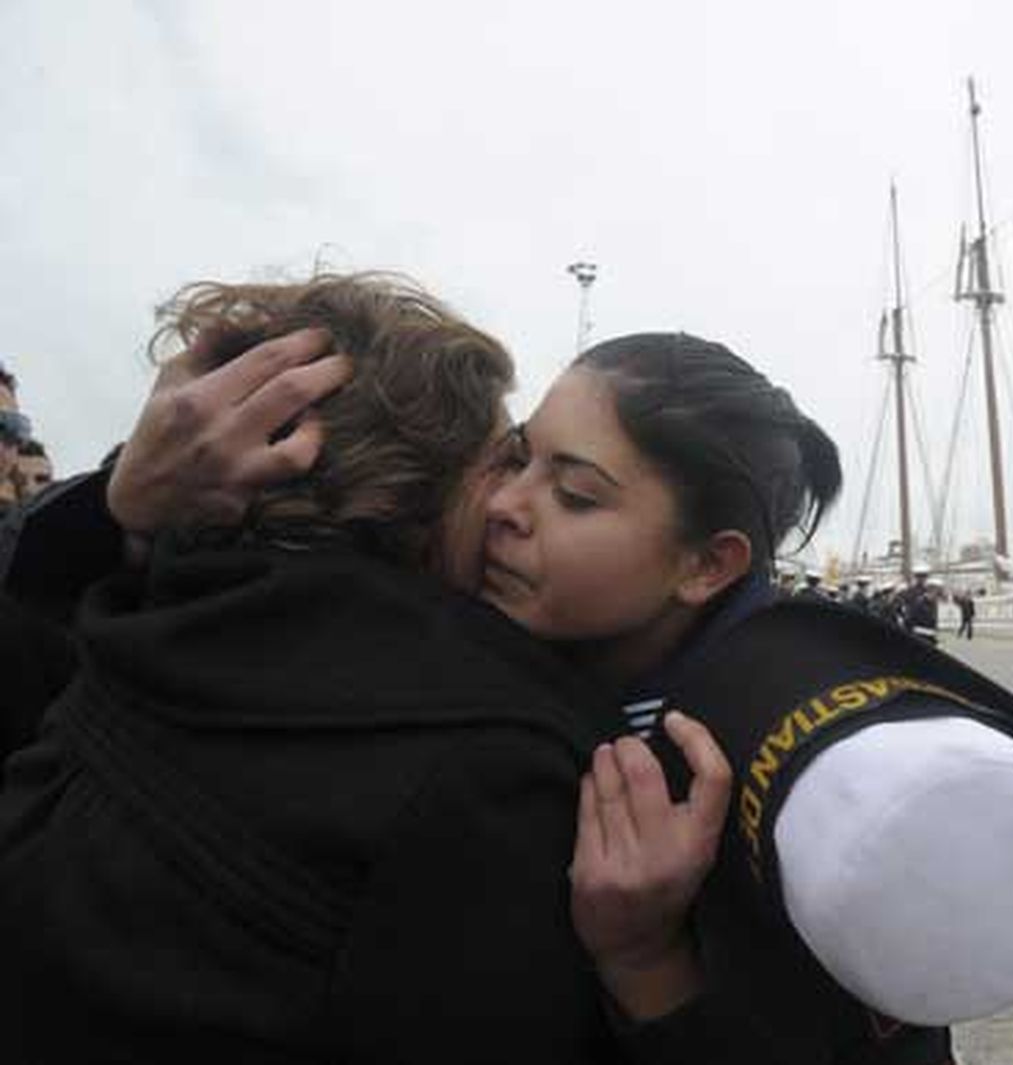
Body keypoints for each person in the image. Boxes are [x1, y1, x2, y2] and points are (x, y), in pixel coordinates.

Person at [5, 314, 1013, 1063]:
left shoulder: (779, 762)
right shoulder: (475, 666)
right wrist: (124, 506)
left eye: (574, 494)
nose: (507, 508)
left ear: (704, 565)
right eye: (513, 460)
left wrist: (649, 963)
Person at [0, 275, 733, 1064]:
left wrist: (118, 507)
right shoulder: (495, 768)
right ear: (413, 484)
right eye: (505, 459)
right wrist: (651, 970)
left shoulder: (128, 622)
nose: (511, 504)